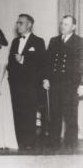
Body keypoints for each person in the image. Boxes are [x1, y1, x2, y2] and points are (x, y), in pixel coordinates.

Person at [43, 15, 83, 149]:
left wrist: (82, 84)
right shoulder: (54, 41)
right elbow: (48, 62)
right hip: (55, 84)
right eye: (62, 24)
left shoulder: (79, 42)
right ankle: (54, 144)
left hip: (71, 85)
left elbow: (82, 65)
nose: (62, 26)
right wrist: (46, 78)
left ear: (74, 27)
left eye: (66, 24)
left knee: (70, 116)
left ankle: (71, 146)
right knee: (54, 114)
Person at [8, 14, 46, 149]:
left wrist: (23, 60)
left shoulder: (38, 41)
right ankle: (18, 141)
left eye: (21, 23)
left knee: (29, 113)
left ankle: (29, 142)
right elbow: (10, 64)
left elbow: (41, 63)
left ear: (29, 25)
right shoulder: (15, 41)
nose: (18, 25)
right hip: (16, 85)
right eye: (17, 23)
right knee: (17, 112)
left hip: (31, 86)